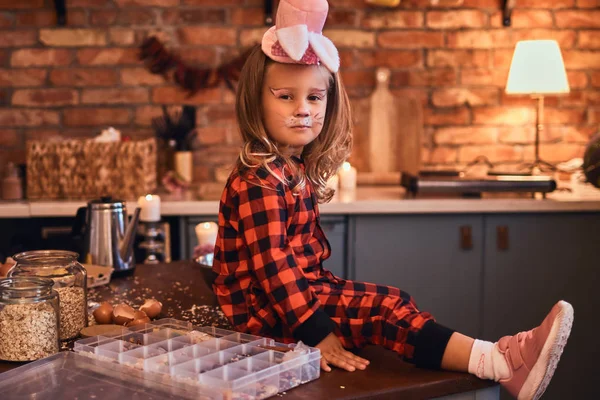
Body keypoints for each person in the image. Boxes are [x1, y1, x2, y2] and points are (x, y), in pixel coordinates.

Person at [212, 1, 574, 399]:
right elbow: (274, 267)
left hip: (293, 295)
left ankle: (499, 359)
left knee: (392, 302)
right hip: (262, 314)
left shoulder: (287, 169)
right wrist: (317, 332)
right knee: (384, 311)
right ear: (255, 100)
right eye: (285, 96)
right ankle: (502, 361)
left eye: (315, 98)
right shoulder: (259, 180)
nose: (303, 110)